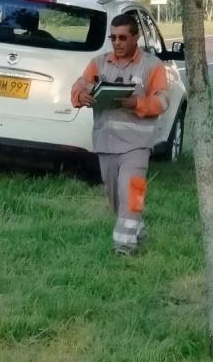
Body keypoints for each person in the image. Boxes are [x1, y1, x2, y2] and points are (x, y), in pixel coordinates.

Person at [70, 13, 168, 255]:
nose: (117, 42)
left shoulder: (152, 66)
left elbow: (162, 101)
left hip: (136, 146)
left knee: (132, 194)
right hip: (105, 144)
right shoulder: (99, 63)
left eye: (123, 37)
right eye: (112, 37)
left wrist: (137, 103)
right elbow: (80, 84)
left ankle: (124, 248)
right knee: (116, 199)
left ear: (135, 37)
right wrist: (80, 95)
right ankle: (138, 230)